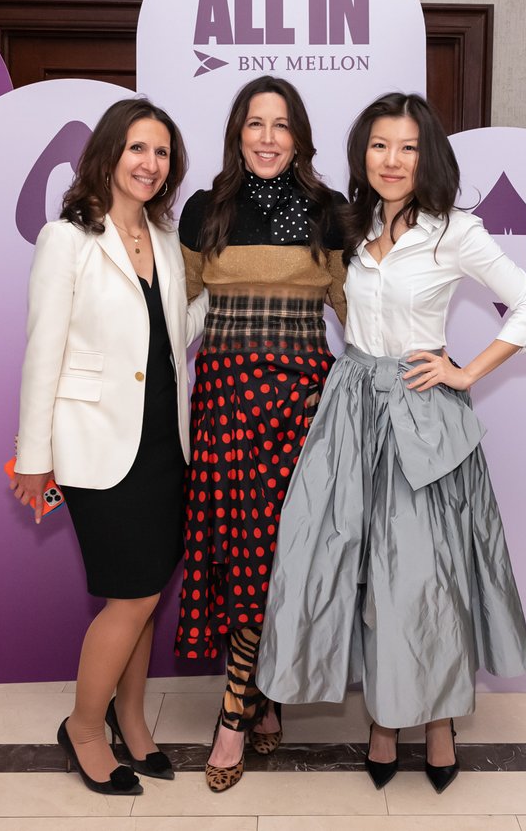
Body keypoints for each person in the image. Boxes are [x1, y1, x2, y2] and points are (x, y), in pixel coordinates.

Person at [258, 92, 526, 794]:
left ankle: (438, 726)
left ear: (429, 155)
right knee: (348, 572)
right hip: (352, 409)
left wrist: (463, 369)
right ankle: (383, 725)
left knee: (423, 580)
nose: (393, 159)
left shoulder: (455, 231)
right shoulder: (346, 226)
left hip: (423, 417)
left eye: (409, 146)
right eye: (380, 145)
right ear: (363, 154)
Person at [11, 98, 207, 796]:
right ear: (109, 154)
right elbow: (44, 351)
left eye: (161, 153)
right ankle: (85, 727)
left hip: (163, 442)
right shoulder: (66, 239)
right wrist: (34, 454)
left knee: (149, 591)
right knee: (130, 594)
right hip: (97, 444)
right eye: (137, 149)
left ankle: (131, 715)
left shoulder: (162, 237)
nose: (149, 163)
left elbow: (175, 328)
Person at [175, 76, 346, 792]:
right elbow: (171, 309)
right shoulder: (202, 210)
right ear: (237, 133)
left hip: (304, 405)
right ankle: (257, 698)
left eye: (281, 124)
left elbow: (356, 308)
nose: (268, 137)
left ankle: (234, 715)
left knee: (283, 557)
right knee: (238, 552)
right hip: (224, 404)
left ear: (301, 136)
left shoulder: (331, 212)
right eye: (255, 123)